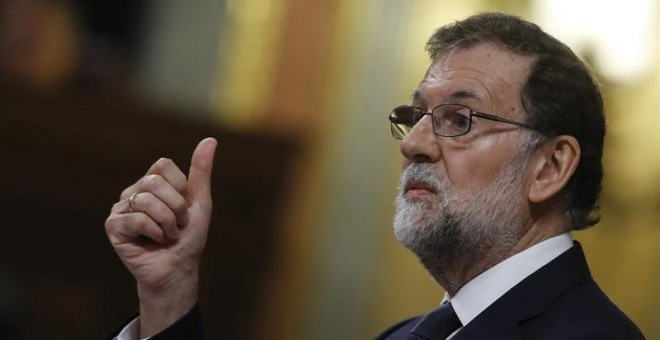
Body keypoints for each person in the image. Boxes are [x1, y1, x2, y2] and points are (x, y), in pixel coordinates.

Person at [105, 12, 644, 340]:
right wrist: (169, 294)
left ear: (549, 167)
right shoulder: (405, 339)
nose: (412, 144)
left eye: (459, 120)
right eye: (414, 117)